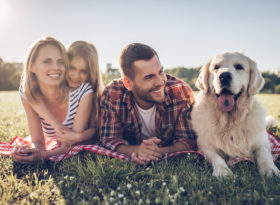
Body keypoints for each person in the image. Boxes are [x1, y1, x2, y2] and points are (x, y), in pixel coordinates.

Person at [100, 43, 197, 165]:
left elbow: (188, 141)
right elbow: (109, 139)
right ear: (128, 83)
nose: (160, 82)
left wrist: (158, 151)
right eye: (149, 77)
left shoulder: (180, 91)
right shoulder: (112, 94)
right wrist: (137, 150)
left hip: (165, 148)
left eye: (160, 72)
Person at [12, 37, 94, 163]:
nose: (56, 67)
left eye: (60, 61)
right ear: (32, 66)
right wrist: (31, 152)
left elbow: (73, 143)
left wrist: (43, 155)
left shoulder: (82, 91)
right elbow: (38, 142)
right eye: (47, 61)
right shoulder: (27, 93)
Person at [23, 41, 103, 146]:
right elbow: (31, 94)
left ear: (91, 73)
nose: (76, 76)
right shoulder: (37, 90)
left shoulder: (86, 91)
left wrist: (80, 137)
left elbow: (91, 131)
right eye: (72, 68)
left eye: (84, 71)